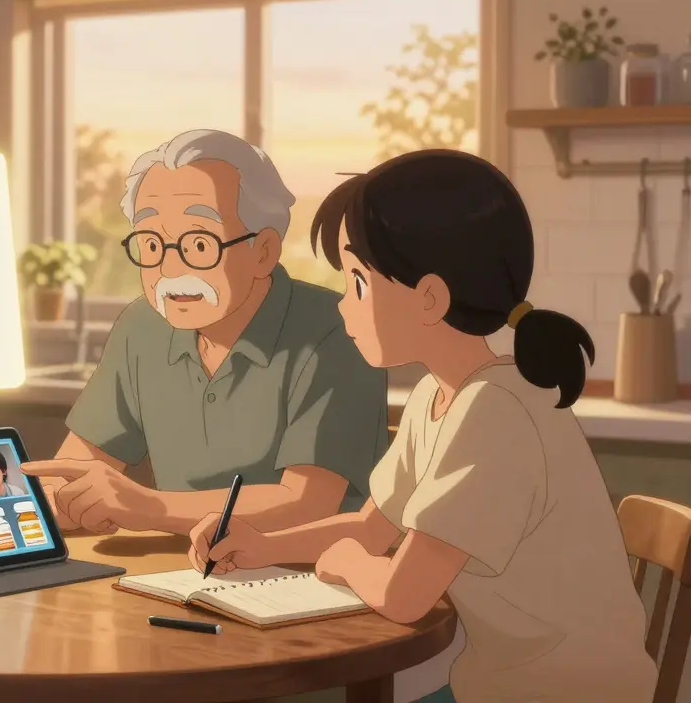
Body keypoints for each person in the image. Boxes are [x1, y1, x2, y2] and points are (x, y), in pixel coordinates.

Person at [188, 150, 656, 703]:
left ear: (430, 297)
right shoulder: (439, 395)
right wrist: (262, 545)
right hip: (502, 683)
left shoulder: (495, 411)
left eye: (358, 283)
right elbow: (370, 528)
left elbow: (403, 594)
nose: (343, 307)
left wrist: (344, 564)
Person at [21, 129, 388, 537]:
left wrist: (149, 507)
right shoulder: (142, 327)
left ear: (263, 251)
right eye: (151, 244)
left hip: (313, 575)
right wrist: (63, 502)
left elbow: (305, 504)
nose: (171, 270)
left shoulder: (338, 329)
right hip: (173, 571)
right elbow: (73, 470)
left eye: (199, 245)